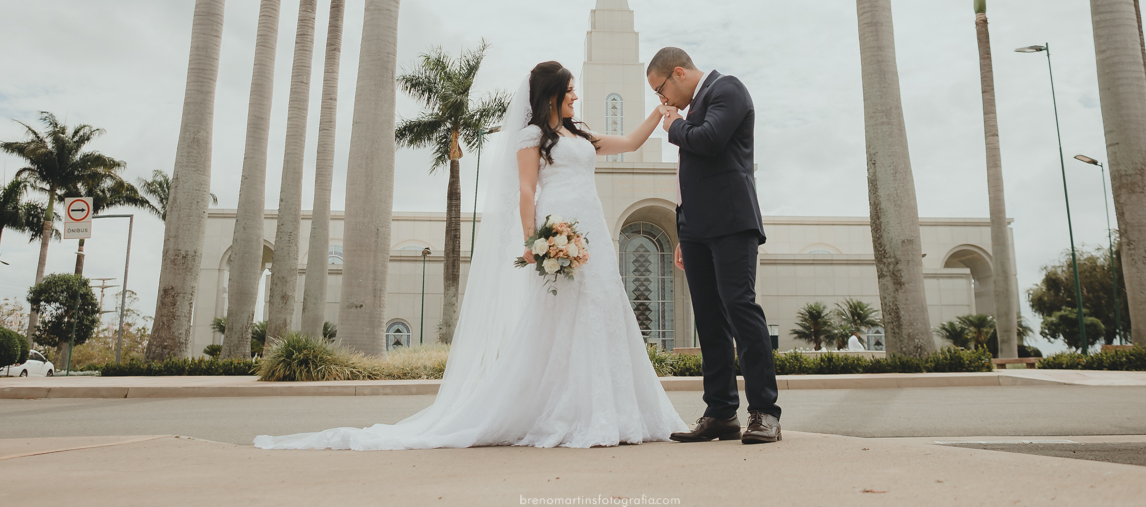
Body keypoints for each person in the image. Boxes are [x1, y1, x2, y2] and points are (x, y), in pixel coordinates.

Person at [255, 62, 686, 450]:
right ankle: (568, 413)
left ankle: (616, 411)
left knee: (605, 313)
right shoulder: (534, 136)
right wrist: (534, 241)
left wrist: (661, 110)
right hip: (559, 232)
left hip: (593, 234)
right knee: (562, 320)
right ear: (552, 95)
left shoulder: (583, 134)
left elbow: (629, 142)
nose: (576, 96)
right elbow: (525, 190)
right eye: (570, 90)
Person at [646, 46, 782, 444]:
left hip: (732, 222)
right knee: (708, 318)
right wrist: (683, 229)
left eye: (661, 90)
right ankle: (721, 412)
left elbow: (709, 140)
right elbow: (689, 178)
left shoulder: (728, 90)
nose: (663, 100)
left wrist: (672, 125)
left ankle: (765, 413)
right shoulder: (690, 110)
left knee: (740, 307)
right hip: (696, 229)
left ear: (678, 72)